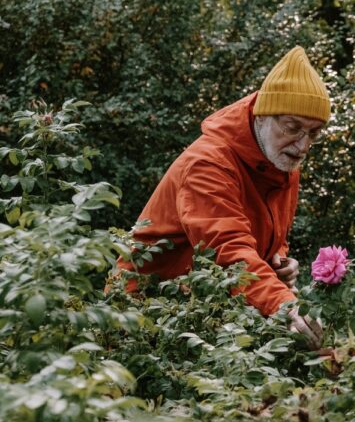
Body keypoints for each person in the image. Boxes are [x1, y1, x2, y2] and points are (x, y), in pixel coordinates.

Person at [114, 46, 327, 347]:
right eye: (293, 127)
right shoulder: (208, 163)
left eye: (314, 133)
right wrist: (283, 302)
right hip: (141, 315)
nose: (303, 145)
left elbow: (268, 239)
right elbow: (228, 251)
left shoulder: (282, 162)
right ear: (262, 116)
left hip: (203, 311)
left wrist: (279, 263)